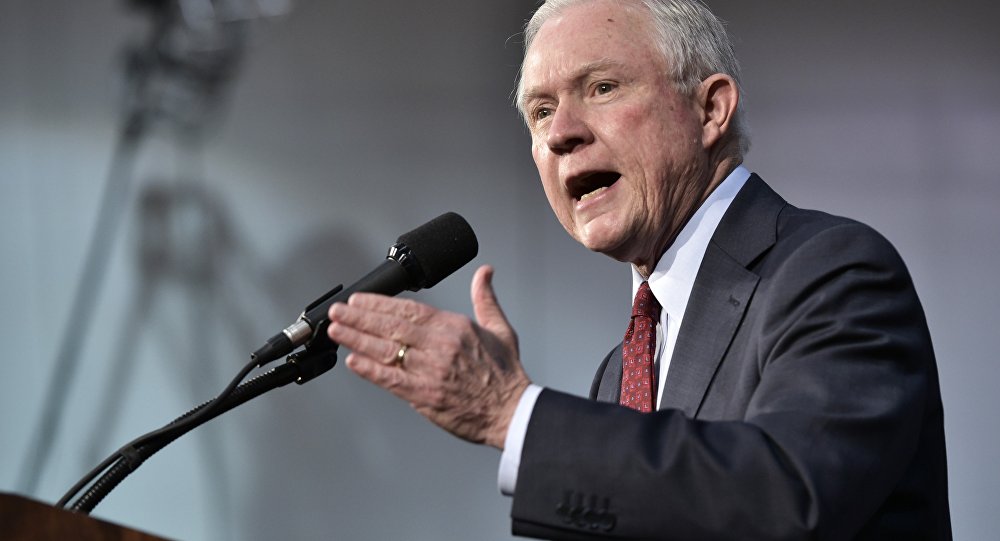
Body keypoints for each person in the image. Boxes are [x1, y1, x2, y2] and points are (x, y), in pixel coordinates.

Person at [326, 0, 951, 538]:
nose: (561, 134)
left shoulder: (833, 272)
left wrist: (510, 413)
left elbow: (790, 496)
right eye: (541, 112)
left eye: (602, 88)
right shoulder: (620, 370)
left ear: (711, 109)